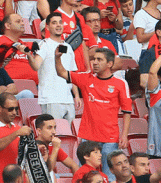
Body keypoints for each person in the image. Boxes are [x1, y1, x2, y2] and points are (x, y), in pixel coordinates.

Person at [55, 46, 131, 179]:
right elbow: (61, 72)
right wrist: (57, 57)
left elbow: (127, 111)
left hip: (110, 138)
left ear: (110, 64)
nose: (95, 62)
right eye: (94, 59)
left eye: (99, 59)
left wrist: (124, 135)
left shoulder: (120, 84)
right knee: (86, 176)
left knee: (110, 176)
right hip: (88, 137)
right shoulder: (86, 79)